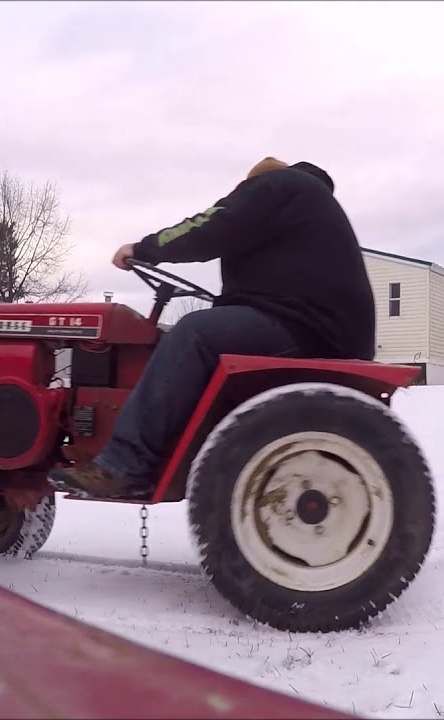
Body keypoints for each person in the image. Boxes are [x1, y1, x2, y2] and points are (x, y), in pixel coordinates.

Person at [48, 158, 377, 499]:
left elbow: (213, 225)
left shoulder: (278, 185)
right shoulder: (303, 202)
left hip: (306, 329)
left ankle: (121, 465)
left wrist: (145, 249)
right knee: (196, 333)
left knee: (193, 333)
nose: (242, 197)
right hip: (322, 330)